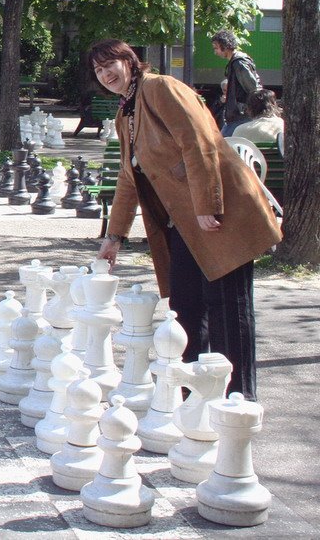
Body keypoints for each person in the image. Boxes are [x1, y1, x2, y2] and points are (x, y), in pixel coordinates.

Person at [89, 39, 280, 402]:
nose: (105, 74)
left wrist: (207, 202)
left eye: (110, 63)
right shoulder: (125, 112)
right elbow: (130, 177)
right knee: (185, 307)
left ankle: (238, 401)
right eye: (98, 70)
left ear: (130, 61)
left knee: (227, 307)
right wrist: (114, 236)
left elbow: (200, 141)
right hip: (183, 223)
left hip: (218, 214)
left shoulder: (161, 87)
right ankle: (196, 397)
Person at [212, 30, 263, 136]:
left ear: (225, 46)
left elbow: (253, 88)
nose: (215, 52)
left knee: (223, 144)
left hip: (241, 117)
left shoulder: (238, 63)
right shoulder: (237, 62)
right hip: (240, 116)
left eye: (216, 48)